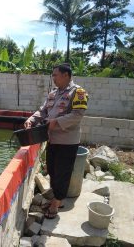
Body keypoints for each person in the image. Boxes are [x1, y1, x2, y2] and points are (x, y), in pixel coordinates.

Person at [24, 63, 88, 219]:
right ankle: (57, 199)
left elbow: (77, 115)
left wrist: (56, 122)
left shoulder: (79, 92)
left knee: (62, 172)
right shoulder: (53, 93)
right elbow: (43, 110)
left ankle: (56, 203)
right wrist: (31, 119)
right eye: (52, 75)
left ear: (66, 75)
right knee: (52, 170)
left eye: (55, 75)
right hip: (52, 139)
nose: (53, 78)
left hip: (67, 141)